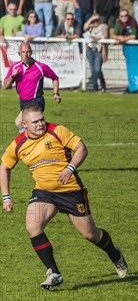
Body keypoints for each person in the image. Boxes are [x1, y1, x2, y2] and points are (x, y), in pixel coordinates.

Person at [0, 106, 129, 289]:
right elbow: (4, 167)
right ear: (24, 125)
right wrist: (6, 197)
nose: (41, 123)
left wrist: (70, 168)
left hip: (70, 191)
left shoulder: (57, 131)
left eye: (42, 119)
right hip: (44, 193)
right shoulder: (19, 144)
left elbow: (81, 148)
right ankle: (54, 273)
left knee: (90, 234)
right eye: (35, 121)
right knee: (32, 226)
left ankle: (115, 255)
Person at [2, 41, 60, 130]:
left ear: (31, 52)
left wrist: (55, 93)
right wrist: (12, 77)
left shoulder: (41, 67)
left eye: (28, 52)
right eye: (23, 52)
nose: (26, 55)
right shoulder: (15, 67)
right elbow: (5, 86)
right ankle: (47, 136)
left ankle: (28, 142)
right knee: (30, 128)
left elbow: (55, 78)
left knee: (19, 122)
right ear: (19, 53)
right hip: (23, 102)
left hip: (36, 101)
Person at [83, 14, 108, 92]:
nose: (95, 22)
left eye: (97, 20)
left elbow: (104, 36)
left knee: (97, 69)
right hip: (90, 50)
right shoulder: (90, 27)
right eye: (94, 21)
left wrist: (95, 37)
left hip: (99, 50)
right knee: (92, 70)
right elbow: (84, 28)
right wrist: (91, 19)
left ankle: (103, 84)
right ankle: (95, 87)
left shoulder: (104, 26)